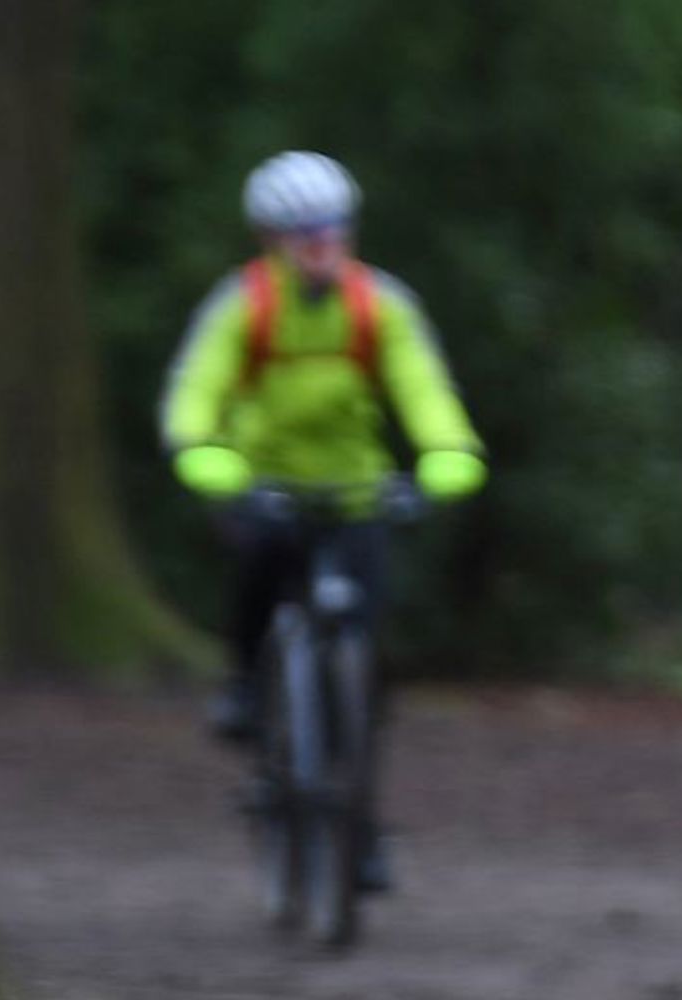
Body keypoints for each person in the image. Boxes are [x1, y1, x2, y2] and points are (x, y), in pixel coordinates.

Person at [158, 150, 489, 892]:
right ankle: (246, 685)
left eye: (334, 229)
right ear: (271, 239)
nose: (322, 244)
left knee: (362, 652)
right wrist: (207, 458)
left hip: (355, 491)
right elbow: (195, 392)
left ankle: (358, 831)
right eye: (304, 232)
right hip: (262, 484)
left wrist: (447, 456)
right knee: (262, 559)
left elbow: (425, 390)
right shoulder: (244, 306)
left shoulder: (381, 306)